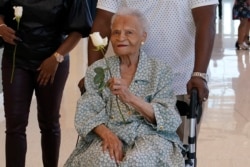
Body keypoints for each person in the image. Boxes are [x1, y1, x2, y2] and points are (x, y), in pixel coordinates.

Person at [78, 0, 218, 143]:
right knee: (116, 150)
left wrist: (199, 74)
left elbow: (207, 20)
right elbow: (103, 21)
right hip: (124, 79)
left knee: (179, 150)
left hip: (180, 80)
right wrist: (93, 72)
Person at [65, 7, 185, 167]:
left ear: (143, 37)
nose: (121, 37)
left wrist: (131, 98)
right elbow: (86, 112)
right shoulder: (99, 70)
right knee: (103, 160)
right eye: (116, 32)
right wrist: (107, 135)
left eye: (129, 32)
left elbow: (170, 118)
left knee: (137, 161)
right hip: (107, 133)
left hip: (150, 136)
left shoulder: (160, 70)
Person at [0, 1, 92, 167]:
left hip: (54, 58)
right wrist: (0, 26)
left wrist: (57, 57)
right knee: (15, 124)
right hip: (16, 59)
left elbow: (78, 30)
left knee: (49, 122)